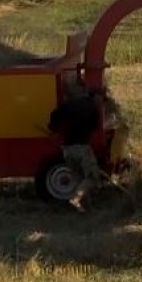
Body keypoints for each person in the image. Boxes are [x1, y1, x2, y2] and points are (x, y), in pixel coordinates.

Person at [48, 81, 106, 211]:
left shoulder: (72, 104)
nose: (101, 102)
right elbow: (95, 127)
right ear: (96, 96)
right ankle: (75, 199)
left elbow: (55, 114)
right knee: (93, 177)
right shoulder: (93, 108)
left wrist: (53, 129)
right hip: (81, 148)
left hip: (67, 150)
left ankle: (89, 208)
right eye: (102, 99)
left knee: (81, 179)